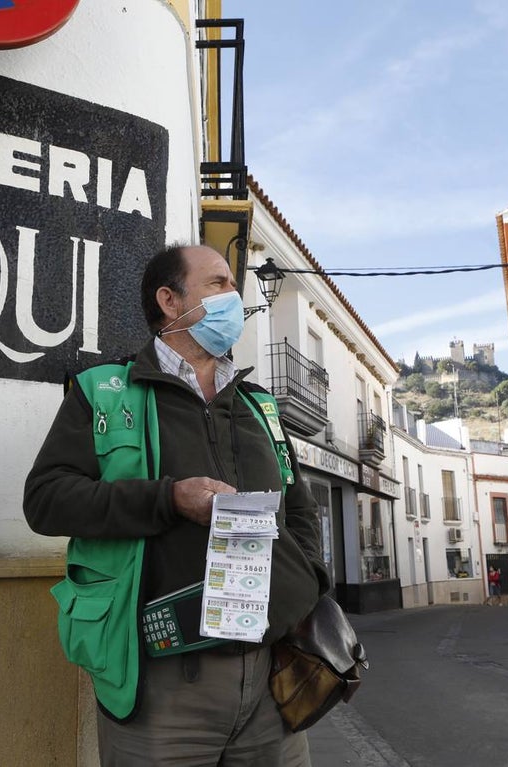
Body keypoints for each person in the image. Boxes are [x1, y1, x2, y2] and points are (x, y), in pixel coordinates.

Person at [24, 243, 329, 766]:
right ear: (169, 300)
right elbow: (46, 501)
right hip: (160, 683)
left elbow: (298, 509)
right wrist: (169, 499)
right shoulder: (103, 392)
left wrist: (307, 588)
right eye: (218, 284)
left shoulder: (258, 405)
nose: (235, 296)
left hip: (269, 678)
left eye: (233, 285)